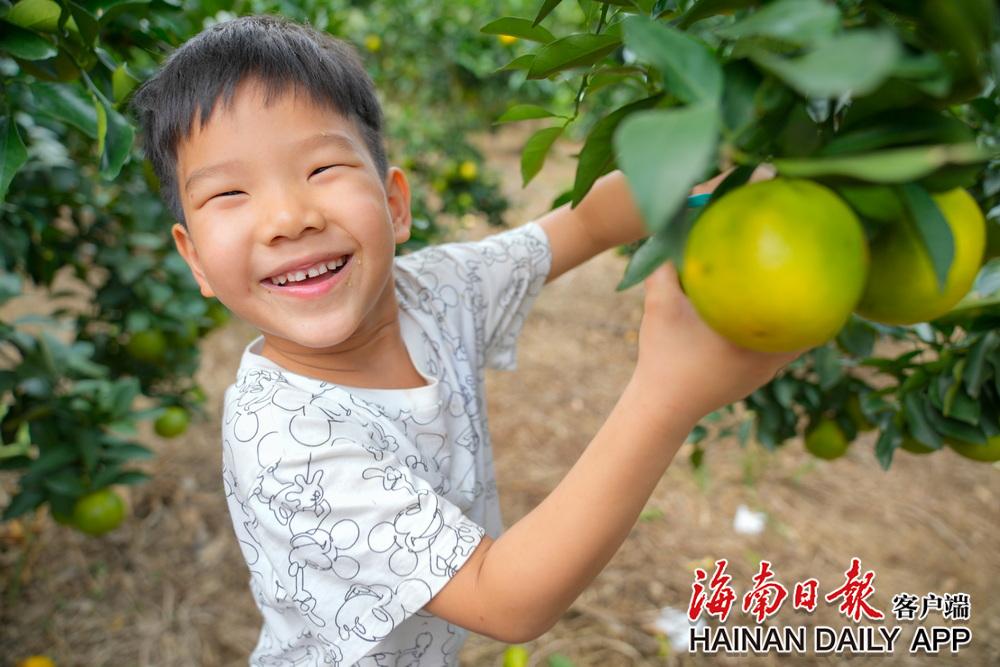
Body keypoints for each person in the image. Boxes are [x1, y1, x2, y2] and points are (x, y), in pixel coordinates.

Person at [130, 13, 798, 667]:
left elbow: (588, 223)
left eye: (321, 169)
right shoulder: (283, 441)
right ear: (195, 261)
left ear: (395, 204)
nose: (287, 218)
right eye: (230, 193)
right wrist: (665, 398)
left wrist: (743, 183)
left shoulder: (435, 291)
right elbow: (505, 600)